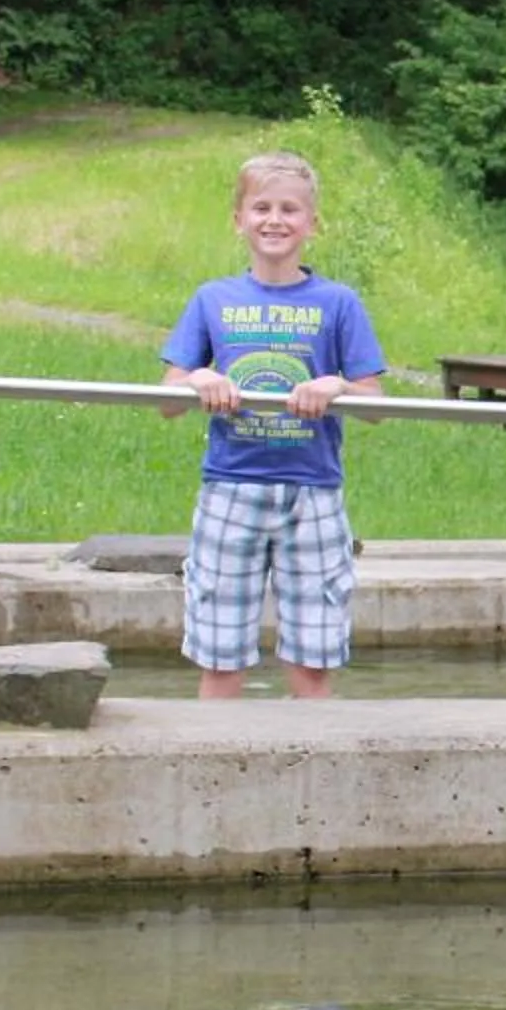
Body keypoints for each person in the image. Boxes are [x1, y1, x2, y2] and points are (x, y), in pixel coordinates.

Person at [159, 150, 386, 699]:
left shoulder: (339, 303)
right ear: (239, 219)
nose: (275, 220)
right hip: (231, 488)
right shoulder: (213, 299)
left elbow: (375, 403)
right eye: (261, 207)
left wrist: (337, 387)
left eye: (289, 209)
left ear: (312, 222)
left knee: (312, 664)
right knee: (219, 660)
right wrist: (198, 380)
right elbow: (166, 398)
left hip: (313, 493)